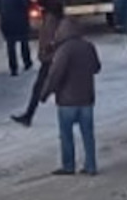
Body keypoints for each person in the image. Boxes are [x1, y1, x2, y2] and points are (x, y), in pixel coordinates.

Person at [42, 21, 101, 176]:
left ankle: (69, 166)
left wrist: (45, 93)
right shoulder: (88, 46)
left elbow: (55, 75)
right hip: (87, 98)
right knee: (88, 134)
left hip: (67, 101)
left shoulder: (64, 50)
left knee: (66, 135)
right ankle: (91, 165)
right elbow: (96, 68)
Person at [12, 0, 69, 127]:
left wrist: (45, 54)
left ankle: (29, 115)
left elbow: (48, 40)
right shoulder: (57, 19)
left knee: (40, 88)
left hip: (50, 60)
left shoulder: (50, 21)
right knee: (60, 89)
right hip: (57, 58)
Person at [0, 0, 34, 76]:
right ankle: (27, 62)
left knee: (10, 45)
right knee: (24, 42)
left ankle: (13, 68)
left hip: (6, 22)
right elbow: (26, 4)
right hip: (20, 22)